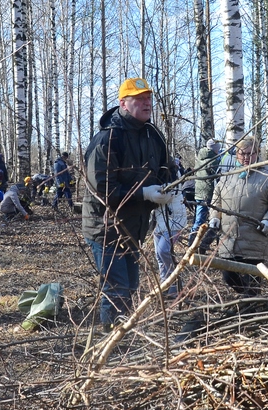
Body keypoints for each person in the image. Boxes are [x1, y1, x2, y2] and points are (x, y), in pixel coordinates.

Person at [82, 76, 174, 328]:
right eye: (139, 99)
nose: (147, 104)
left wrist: (171, 187)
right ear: (123, 104)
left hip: (135, 227)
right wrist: (143, 194)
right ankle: (110, 344)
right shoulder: (107, 139)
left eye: (148, 99)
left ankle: (123, 337)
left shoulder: (152, 135)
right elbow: (101, 188)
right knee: (117, 290)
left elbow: (166, 169)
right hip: (106, 228)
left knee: (131, 286)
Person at [208, 138, 268, 296]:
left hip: (255, 240)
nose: (246, 157)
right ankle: (250, 302)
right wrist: (215, 216)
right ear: (236, 154)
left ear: (257, 154)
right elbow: (216, 198)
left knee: (252, 281)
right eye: (242, 153)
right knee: (228, 276)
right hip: (228, 240)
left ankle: (252, 311)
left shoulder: (267, 176)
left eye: (250, 153)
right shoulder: (229, 176)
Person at [152, 189, 188, 298]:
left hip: (174, 219)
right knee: (158, 255)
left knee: (164, 251)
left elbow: (165, 196)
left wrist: (146, 194)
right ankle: (164, 286)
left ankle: (174, 285)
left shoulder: (171, 174)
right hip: (158, 218)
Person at [189, 139, 221, 251]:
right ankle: (193, 245)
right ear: (215, 149)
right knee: (205, 220)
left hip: (199, 193)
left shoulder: (201, 157)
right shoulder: (213, 161)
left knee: (198, 220)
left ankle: (192, 243)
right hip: (207, 194)